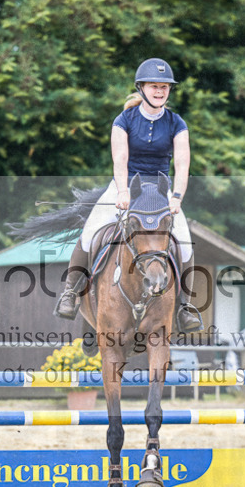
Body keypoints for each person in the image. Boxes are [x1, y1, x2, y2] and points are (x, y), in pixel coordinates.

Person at [55, 57, 202, 333]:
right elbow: (120, 160)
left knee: (184, 242)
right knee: (90, 233)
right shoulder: (124, 120)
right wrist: (122, 192)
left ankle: (185, 306)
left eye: (165, 87)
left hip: (160, 191)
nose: (160, 91)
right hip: (124, 186)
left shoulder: (176, 123)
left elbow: (182, 164)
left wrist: (177, 196)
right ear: (142, 88)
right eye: (154, 86)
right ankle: (70, 294)